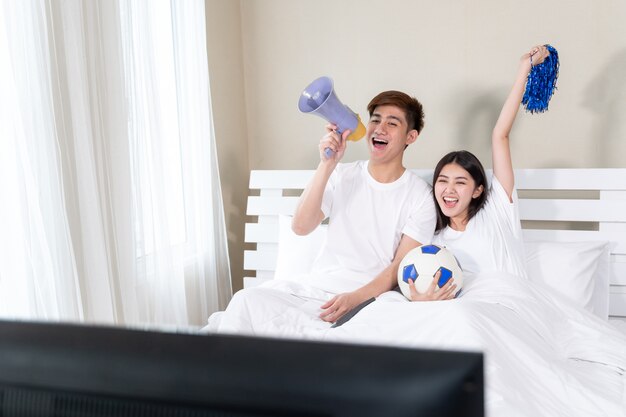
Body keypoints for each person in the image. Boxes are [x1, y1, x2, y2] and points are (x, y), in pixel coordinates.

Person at [208, 90, 453, 336]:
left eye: (392, 123)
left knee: (338, 338)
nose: (379, 128)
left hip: (370, 298)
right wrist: (327, 165)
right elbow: (300, 227)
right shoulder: (341, 175)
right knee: (245, 300)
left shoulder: (420, 196)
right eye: (375, 120)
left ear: (411, 136)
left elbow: (400, 265)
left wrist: (355, 298)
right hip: (314, 290)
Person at [405, 44, 550, 300]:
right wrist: (419, 298)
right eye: (442, 181)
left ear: (478, 190)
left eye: (460, 182)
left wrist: (524, 69)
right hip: (461, 313)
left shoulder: (497, 210)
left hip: (509, 306)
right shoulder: (434, 238)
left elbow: (500, 135)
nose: (448, 190)